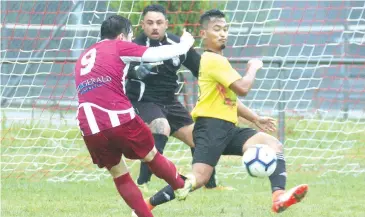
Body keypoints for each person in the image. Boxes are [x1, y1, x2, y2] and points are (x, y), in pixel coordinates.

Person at [140, 9, 308, 214]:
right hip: (211, 128)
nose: (222, 33)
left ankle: (278, 197)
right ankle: (146, 205)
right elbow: (243, 89)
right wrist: (254, 67)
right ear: (203, 34)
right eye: (216, 29)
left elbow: (229, 99)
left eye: (225, 29)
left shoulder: (217, 61)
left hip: (227, 127)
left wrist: (255, 119)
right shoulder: (213, 60)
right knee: (197, 179)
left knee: (273, 144)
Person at [74, 15, 196, 217]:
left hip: (88, 125)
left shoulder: (84, 55)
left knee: (119, 173)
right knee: (150, 155)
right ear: (122, 36)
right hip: (117, 115)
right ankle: (180, 185)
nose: (131, 40)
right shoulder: (119, 46)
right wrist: (185, 44)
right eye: (130, 36)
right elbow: (157, 53)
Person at [126, 4, 222, 191]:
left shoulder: (178, 44)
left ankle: (210, 186)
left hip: (170, 102)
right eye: (150, 23)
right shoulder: (134, 47)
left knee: (199, 137)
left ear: (166, 24)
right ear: (142, 25)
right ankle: (143, 183)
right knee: (161, 126)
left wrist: (216, 83)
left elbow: (201, 69)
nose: (155, 27)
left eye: (159, 22)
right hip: (142, 101)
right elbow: (122, 71)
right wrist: (136, 72)